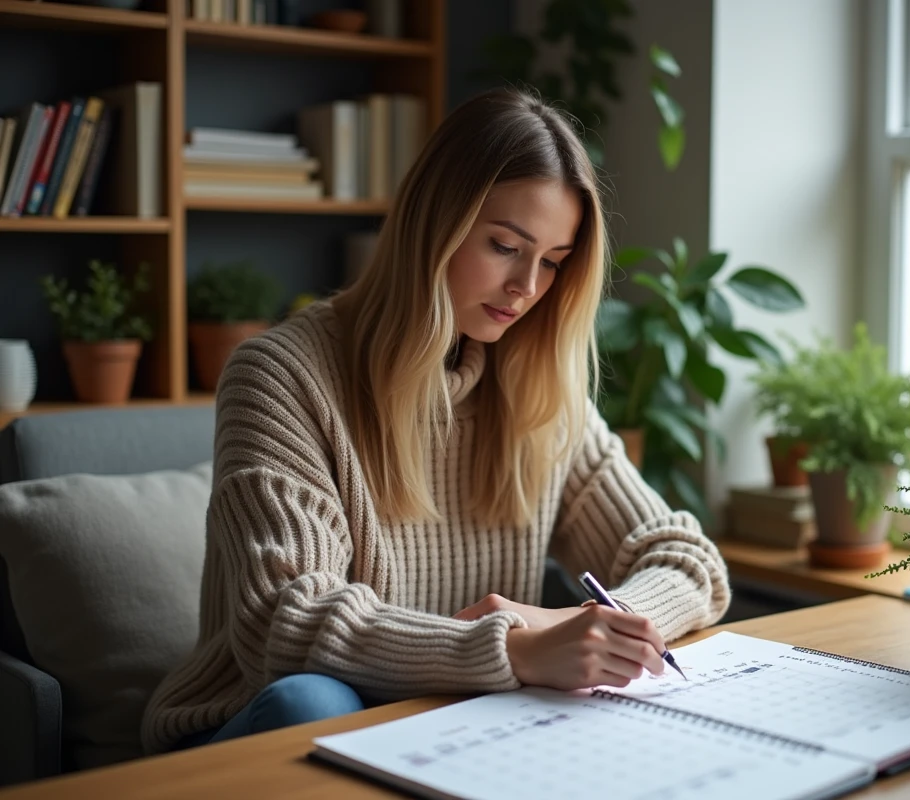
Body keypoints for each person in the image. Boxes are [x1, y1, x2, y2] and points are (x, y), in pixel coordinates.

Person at [141, 87, 731, 755]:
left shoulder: (538, 389)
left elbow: (688, 562)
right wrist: (517, 649)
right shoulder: (281, 376)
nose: (527, 288)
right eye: (506, 245)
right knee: (316, 700)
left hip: (450, 721)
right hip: (267, 721)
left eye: (553, 264)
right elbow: (287, 623)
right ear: (434, 223)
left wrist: (564, 623)